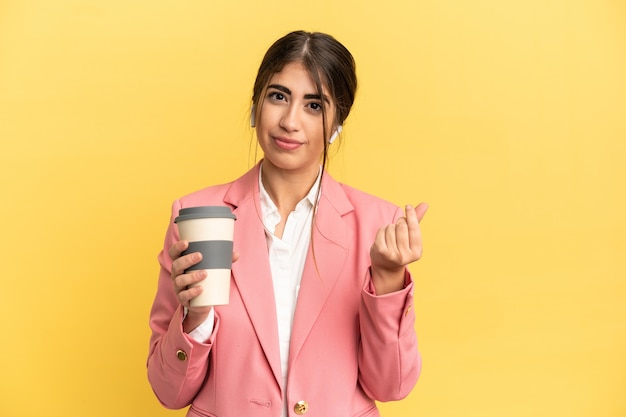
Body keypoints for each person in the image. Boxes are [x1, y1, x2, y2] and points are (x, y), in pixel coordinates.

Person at [147, 30, 428, 417]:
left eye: (314, 105)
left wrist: (388, 279)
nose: (290, 121)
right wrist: (194, 316)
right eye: (278, 96)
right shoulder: (197, 216)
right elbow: (168, 392)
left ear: (336, 124)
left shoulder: (378, 226)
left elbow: (392, 386)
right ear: (255, 105)